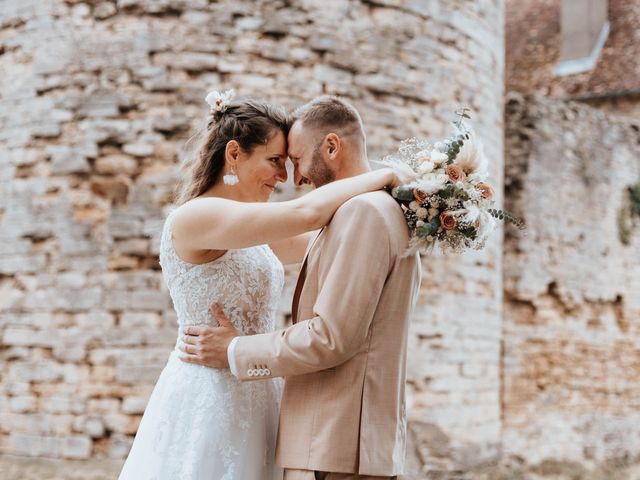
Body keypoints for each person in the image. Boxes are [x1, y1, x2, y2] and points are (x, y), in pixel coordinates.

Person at [117, 93, 398, 480]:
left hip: (258, 387)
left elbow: (323, 241)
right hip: (210, 392)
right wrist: (389, 177)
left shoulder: (253, 224)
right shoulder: (196, 216)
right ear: (234, 153)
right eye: (274, 161)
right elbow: (308, 213)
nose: (284, 177)